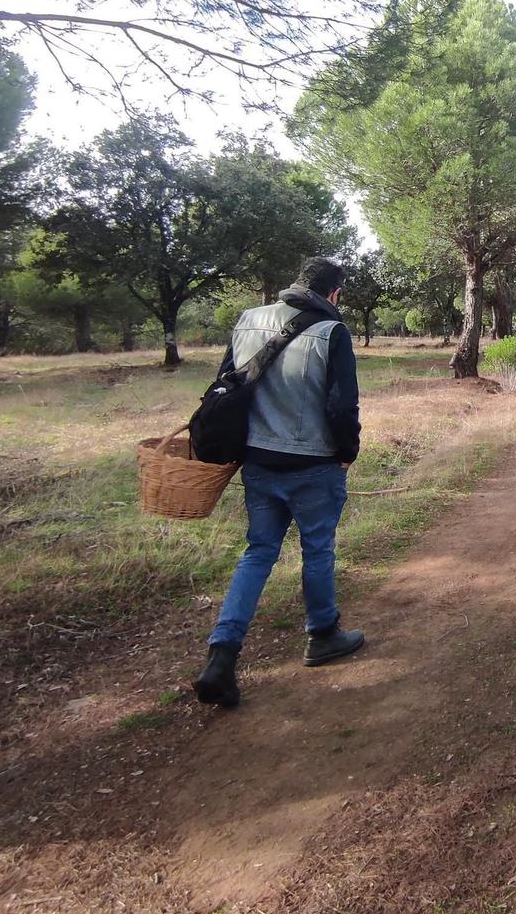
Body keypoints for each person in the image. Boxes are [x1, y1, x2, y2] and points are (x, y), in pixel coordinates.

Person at [193, 257, 366, 709]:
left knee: (258, 553)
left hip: (258, 462)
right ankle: (322, 635)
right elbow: (342, 405)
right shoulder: (333, 332)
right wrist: (347, 453)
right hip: (313, 462)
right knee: (317, 549)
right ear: (335, 293)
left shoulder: (249, 320)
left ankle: (222, 656)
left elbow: (225, 386)